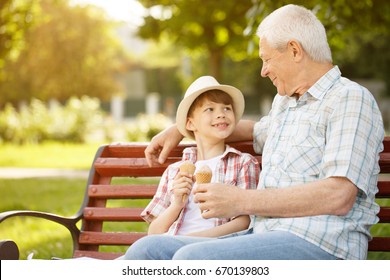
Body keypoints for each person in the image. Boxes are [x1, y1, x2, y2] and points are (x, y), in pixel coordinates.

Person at [125, 4, 384, 260]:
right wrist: (180, 128)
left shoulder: (349, 99)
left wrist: (242, 200)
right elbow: (253, 129)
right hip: (263, 235)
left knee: (192, 260)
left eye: (267, 59)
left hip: (321, 244)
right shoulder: (287, 104)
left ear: (294, 50)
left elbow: (339, 195)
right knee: (147, 250)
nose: (263, 71)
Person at [126, 76, 260, 243]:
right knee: (138, 250)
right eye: (210, 109)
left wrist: (188, 240)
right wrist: (177, 204)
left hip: (213, 247)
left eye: (226, 108)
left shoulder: (243, 164)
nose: (221, 114)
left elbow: (244, 222)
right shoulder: (174, 171)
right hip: (170, 246)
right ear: (190, 124)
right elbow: (153, 232)